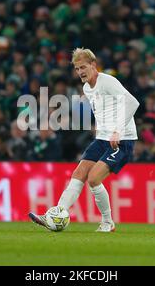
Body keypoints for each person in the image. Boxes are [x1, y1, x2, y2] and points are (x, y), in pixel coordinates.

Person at [29, 48, 139, 232]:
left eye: (83, 67)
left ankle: (107, 222)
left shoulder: (107, 81)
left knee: (94, 179)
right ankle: (56, 214)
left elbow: (132, 102)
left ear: (93, 65)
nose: (80, 72)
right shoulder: (88, 88)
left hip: (122, 139)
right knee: (79, 174)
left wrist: (117, 131)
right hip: (103, 138)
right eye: (77, 68)